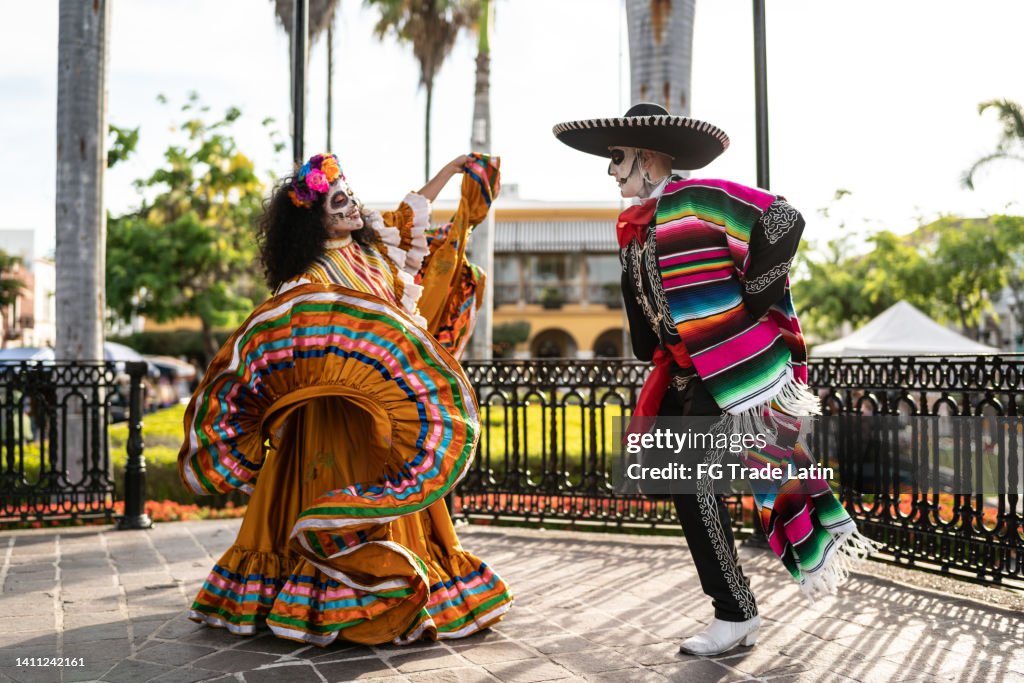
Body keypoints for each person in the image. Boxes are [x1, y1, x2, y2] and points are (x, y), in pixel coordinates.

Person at [553, 103, 875, 656]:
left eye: (618, 159)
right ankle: (737, 609)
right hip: (683, 373)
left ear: (651, 159)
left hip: (727, 365)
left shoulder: (700, 198)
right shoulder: (634, 228)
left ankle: (736, 613)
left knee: (693, 480)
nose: (611, 171)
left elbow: (783, 219)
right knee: (682, 486)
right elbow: (645, 308)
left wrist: (756, 293)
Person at [178, 152, 512, 646]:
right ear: (316, 219)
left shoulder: (375, 254)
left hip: (378, 417)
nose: (353, 207)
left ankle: (400, 582)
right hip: (330, 421)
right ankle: (341, 594)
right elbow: (286, 335)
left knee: (395, 493)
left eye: (350, 196)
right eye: (340, 202)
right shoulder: (308, 280)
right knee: (334, 491)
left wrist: (454, 167)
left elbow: (413, 207)